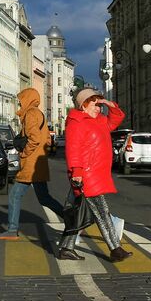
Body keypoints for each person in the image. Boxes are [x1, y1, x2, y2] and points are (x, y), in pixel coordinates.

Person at [56, 88, 133, 262]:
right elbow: (73, 150)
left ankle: (66, 248)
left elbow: (118, 118)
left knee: (77, 213)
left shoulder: (100, 121)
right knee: (102, 212)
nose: (98, 108)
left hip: (95, 174)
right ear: (83, 105)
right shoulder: (76, 122)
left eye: (99, 104)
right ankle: (115, 249)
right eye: (94, 103)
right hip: (86, 175)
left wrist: (109, 104)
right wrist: (76, 172)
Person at [0, 88, 63, 240]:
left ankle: (12, 230)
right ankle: (73, 222)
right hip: (37, 162)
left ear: (28, 99)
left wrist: (24, 153)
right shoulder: (38, 113)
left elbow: (35, 138)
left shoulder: (31, 114)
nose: (19, 102)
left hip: (31, 164)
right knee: (44, 198)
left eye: (21, 99)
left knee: (14, 195)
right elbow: (45, 140)